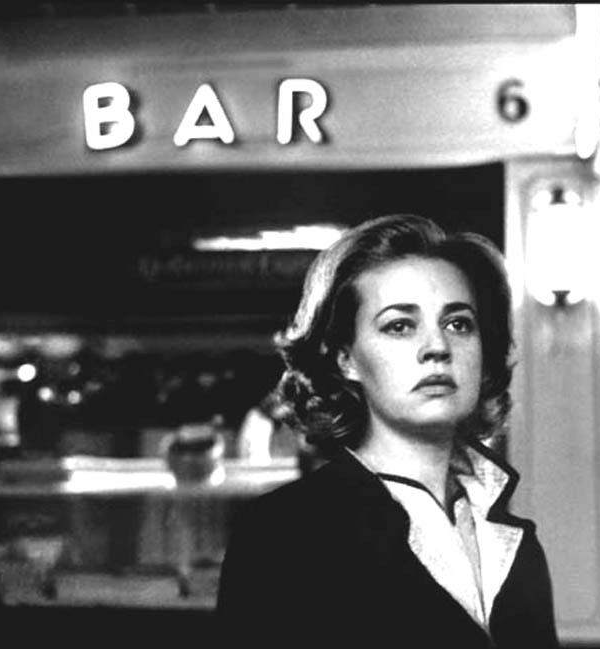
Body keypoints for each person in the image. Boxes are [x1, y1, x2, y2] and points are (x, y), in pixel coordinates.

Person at [216, 214, 558, 649]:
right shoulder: (281, 535)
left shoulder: (516, 541)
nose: (438, 348)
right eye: (400, 326)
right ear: (346, 359)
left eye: (458, 324)